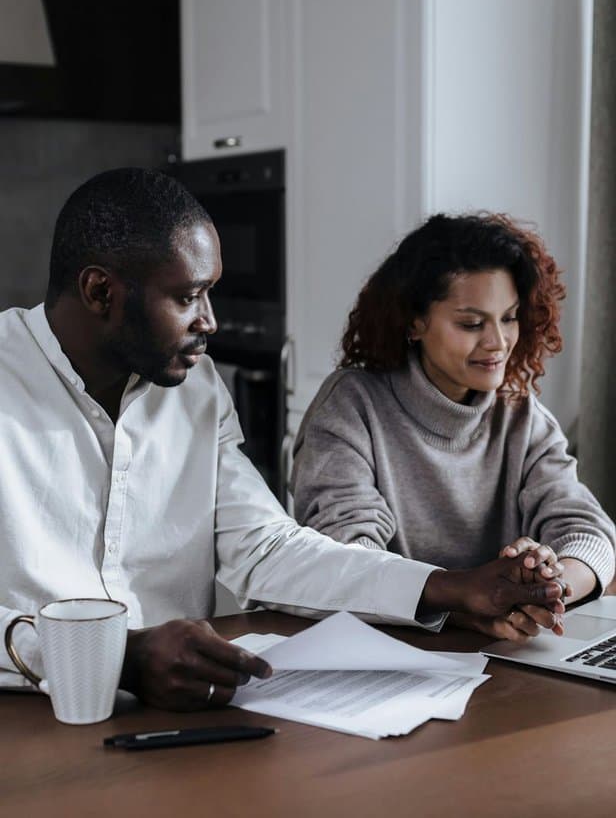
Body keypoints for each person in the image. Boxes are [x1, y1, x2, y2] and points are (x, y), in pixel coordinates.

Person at [0, 177, 567, 712]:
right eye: (188, 296)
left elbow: (268, 549)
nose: (210, 321)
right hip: (28, 723)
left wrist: (448, 589)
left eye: (211, 293)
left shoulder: (197, 389)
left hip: (184, 718)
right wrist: (117, 659)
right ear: (100, 290)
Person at [292, 212, 615, 643]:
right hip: (386, 654)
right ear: (413, 322)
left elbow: (588, 534)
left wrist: (547, 587)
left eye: (510, 317)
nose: (498, 342)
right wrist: (465, 606)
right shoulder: (351, 406)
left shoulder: (520, 414)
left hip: (500, 654)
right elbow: (347, 559)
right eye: (471, 323)